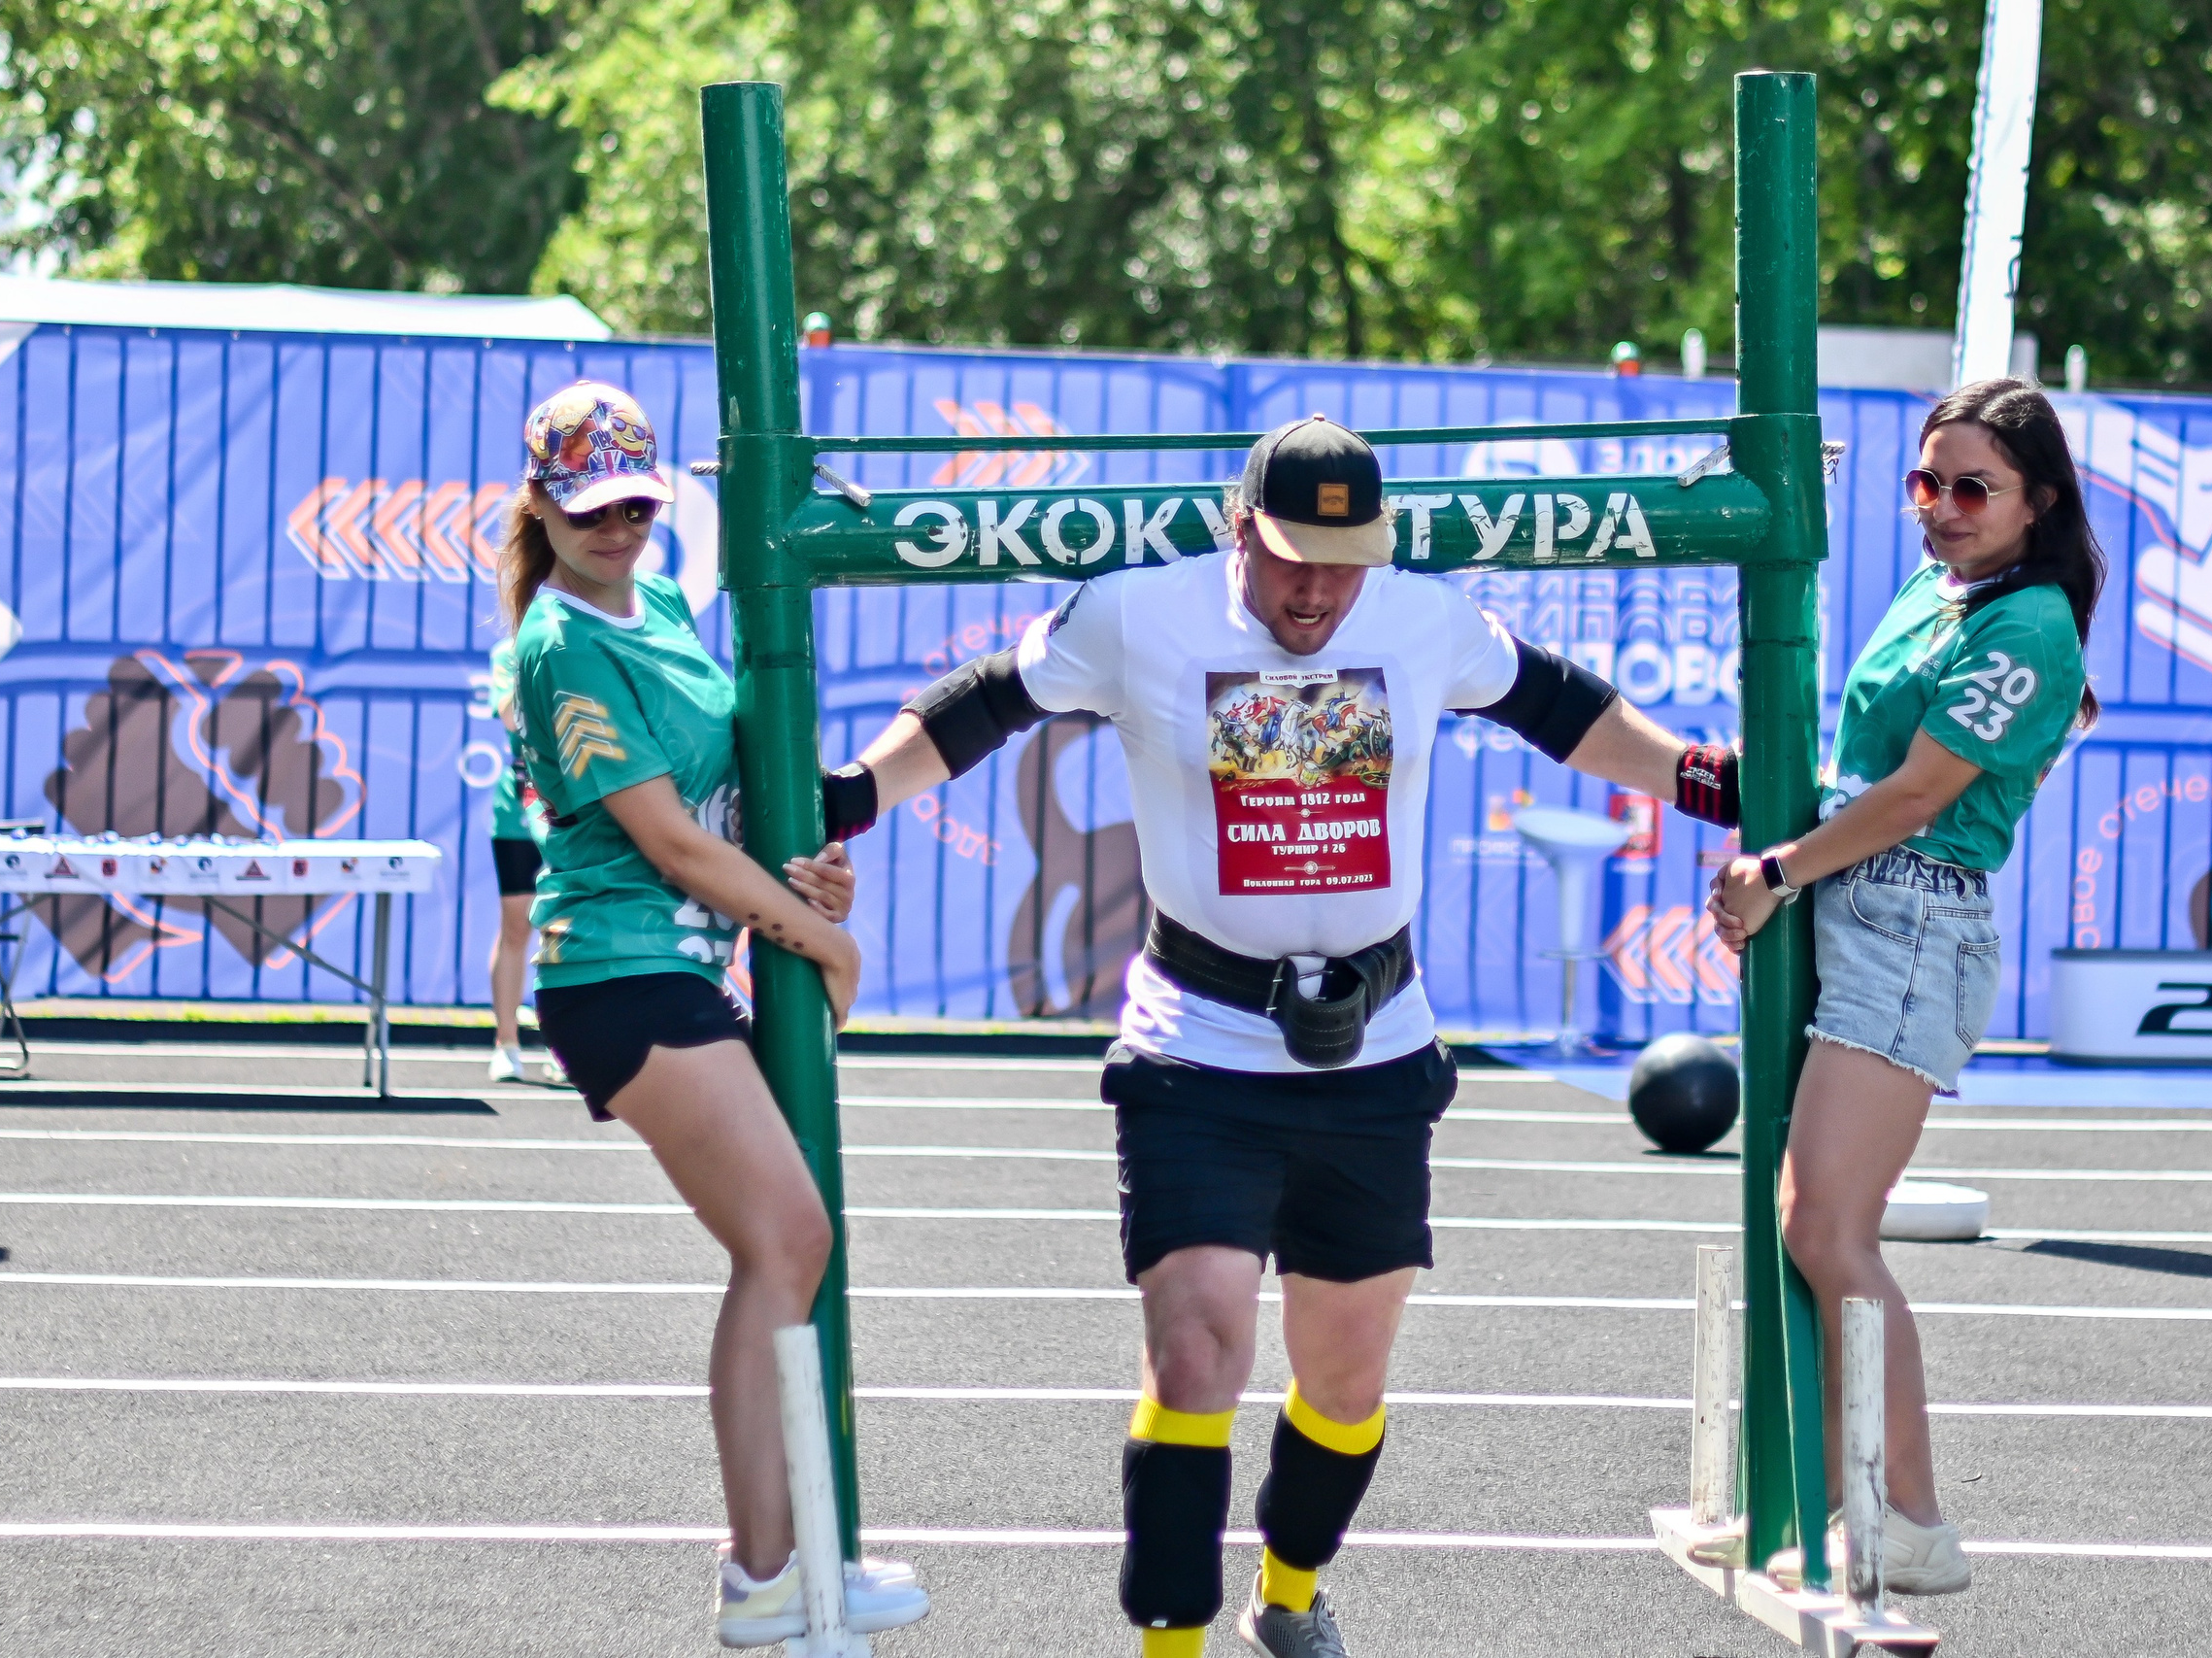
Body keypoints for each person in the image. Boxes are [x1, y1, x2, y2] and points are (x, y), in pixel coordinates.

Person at [821, 415, 1741, 1658]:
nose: (1316, 589)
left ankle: (1292, 1590)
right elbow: (986, 702)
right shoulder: (1137, 615)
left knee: (1343, 1385)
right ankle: (1171, 1642)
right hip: (1194, 1047)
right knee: (1198, 1347)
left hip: (1372, 1055)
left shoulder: (1424, 621)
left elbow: (1562, 710)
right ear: (1233, 525)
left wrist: (1694, 777)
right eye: (1292, 554)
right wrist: (855, 796)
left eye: (1343, 559)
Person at [497, 381, 926, 1648]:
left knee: (788, 1241)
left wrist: (806, 870)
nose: (616, 526)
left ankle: (787, 1559)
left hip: (691, 964)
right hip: (617, 968)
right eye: (587, 508)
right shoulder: (559, 642)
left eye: (633, 501)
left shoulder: (671, 599)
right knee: (790, 1234)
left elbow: (730, 811)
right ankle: (766, 1572)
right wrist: (822, 936)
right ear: (541, 507)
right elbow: (673, 844)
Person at [1705, 378, 2103, 1595]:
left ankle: (1910, 1521)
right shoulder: (1944, 590)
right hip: (1862, 899)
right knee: (1802, 1226)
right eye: (1925, 483)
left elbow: (1924, 793)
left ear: (2036, 503)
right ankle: (1815, 1503)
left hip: (1915, 918)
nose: (1940, 507)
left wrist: (1775, 869)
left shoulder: (2030, 627)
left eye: (1973, 487)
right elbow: (1864, 766)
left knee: (1826, 1229)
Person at [483, 634, 561, 1083]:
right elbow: (512, 718)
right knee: (516, 924)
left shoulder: (581, 643)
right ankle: (506, 1042)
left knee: (562, 927)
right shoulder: (510, 653)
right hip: (516, 812)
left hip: (571, 811)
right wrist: (534, 653)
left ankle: (563, 1047)